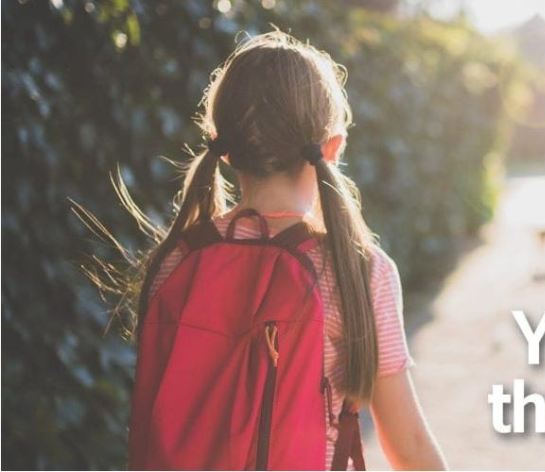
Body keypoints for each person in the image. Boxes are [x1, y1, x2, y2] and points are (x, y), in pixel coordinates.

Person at [125, 31, 446, 470]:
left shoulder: (176, 261)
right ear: (333, 147)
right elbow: (409, 446)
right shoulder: (355, 271)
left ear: (223, 147)